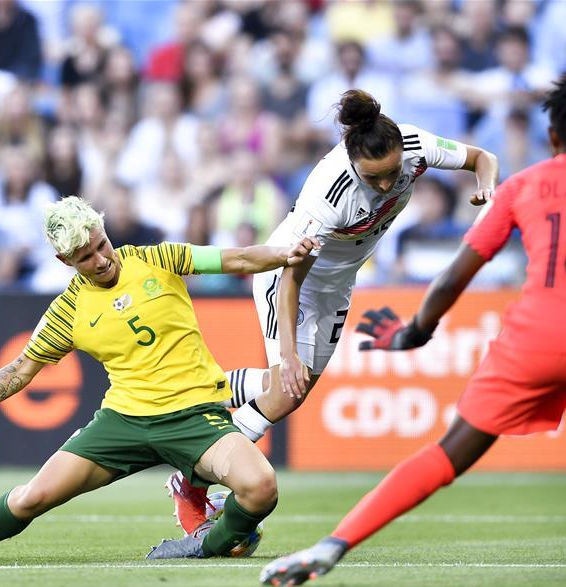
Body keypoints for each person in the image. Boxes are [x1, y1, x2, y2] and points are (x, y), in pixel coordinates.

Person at [258, 76, 566, 587]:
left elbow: (454, 276)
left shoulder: (524, 184)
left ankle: (332, 546)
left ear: (554, 138)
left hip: (534, 340)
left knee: (447, 454)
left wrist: (414, 332)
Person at [0, 195, 319, 561]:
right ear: (65, 262)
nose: (101, 260)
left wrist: (287, 253)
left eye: (101, 244)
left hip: (194, 418)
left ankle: (204, 544)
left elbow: (239, 258)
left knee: (262, 487)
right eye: (85, 257)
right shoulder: (68, 311)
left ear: (104, 229)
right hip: (124, 423)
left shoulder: (157, 258)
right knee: (33, 497)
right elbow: (21, 369)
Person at [166, 89, 498, 535]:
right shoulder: (328, 194)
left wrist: (485, 188)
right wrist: (287, 354)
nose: (385, 186)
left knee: (291, 389)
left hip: (337, 288)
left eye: (392, 174)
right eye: (373, 177)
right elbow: (290, 278)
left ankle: (194, 392)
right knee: (286, 388)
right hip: (289, 282)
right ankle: (191, 480)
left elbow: (483, 157)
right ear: (353, 161)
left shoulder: (415, 145)